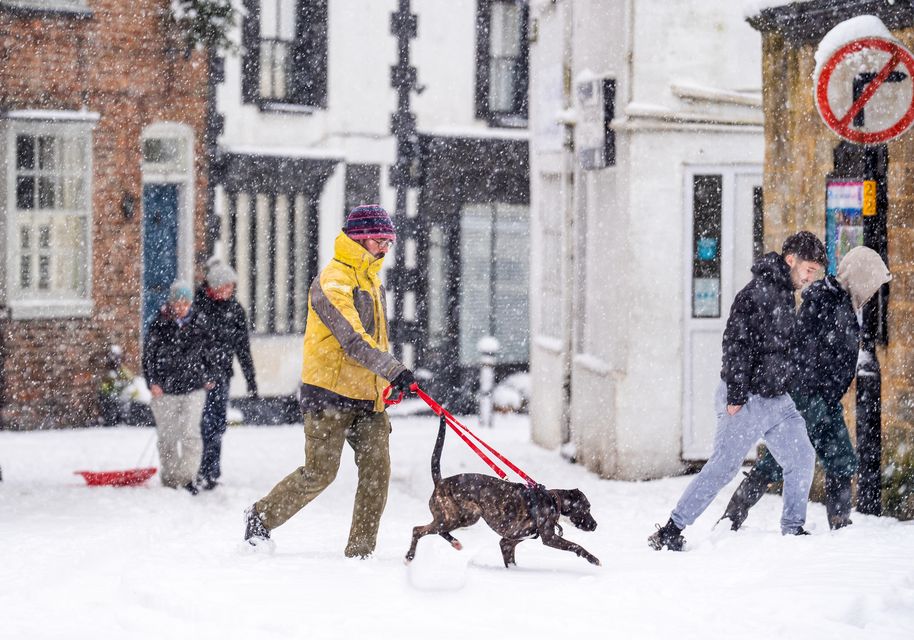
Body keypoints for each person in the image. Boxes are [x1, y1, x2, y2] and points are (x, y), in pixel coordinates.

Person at [244, 204, 415, 557]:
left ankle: (360, 551)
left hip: (369, 397)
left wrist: (387, 380)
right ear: (358, 239)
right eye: (379, 240)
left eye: (389, 241)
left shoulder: (371, 278)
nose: (385, 248)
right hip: (329, 395)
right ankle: (261, 516)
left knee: (376, 473)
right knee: (320, 473)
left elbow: (376, 340)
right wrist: (393, 369)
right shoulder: (333, 281)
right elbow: (352, 339)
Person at [648, 231, 827, 551]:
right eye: (808, 270)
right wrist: (735, 395)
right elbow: (736, 344)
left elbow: (778, 350)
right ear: (791, 261)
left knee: (801, 455)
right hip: (747, 399)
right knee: (723, 468)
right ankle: (671, 529)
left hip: (775, 398)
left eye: (815, 272)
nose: (810, 277)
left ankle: (793, 530)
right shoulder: (757, 294)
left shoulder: (786, 294)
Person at [719, 246, 891, 531]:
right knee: (778, 461)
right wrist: (812, 395)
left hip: (825, 399)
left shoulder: (844, 302)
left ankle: (840, 524)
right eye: (871, 284)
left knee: (841, 460)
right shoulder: (823, 300)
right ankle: (734, 514)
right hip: (807, 397)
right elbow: (802, 350)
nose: (872, 292)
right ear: (858, 277)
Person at [142, 281, 215, 494]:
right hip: (165, 390)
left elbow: (210, 353)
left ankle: (186, 478)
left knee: (190, 434)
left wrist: (209, 375)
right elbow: (149, 356)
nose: (181, 306)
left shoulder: (200, 323)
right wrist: (152, 382)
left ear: (191, 303)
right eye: (178, 302)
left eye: (185, 302)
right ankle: (170, 479)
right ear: (171, 302)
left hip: (193, 388)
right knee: (167, 437)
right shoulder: (159, 324)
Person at [194, 260, 258, 490]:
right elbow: (192, 345)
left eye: (232, 287)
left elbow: (243, 347)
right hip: (200, 377)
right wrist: (201, 372)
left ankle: (211, 470)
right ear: (215, 286)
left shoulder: (235, 310)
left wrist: (251, 379)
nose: (230, 290)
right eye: (227, 286)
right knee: (202, 423)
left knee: (217, 424)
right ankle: (197, 469)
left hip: (222, 375)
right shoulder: (198, 308)